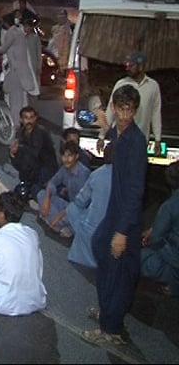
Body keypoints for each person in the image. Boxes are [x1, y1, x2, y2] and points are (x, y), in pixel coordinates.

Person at [84, 84, 147, 346]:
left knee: (119, 268)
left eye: (129, 111)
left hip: (126, 216)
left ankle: (111, 328)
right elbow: (111, 135)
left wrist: (122, 232)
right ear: (114, 108)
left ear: (135, 111)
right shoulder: (118, 132)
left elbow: (135, 192)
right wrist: (103, 127)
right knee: (101, 247)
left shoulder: (136, 142)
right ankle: (109, 310)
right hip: (114, 208)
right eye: (120, 109)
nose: (124, 116)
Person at [98, 50, 162, 156]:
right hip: (119, 139)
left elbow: (155, 114)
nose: (127, 68)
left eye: (131, 65)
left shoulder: (153, 86)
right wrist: (101, 136)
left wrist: (157, 139)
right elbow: (110, 111)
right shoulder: (121, 84)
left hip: (140, 142)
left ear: (141, 67)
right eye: (127, 65)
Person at [66, 143, 114, 268]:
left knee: (72, 208)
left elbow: (80, 201)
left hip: (93, 230)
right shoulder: (128, 177)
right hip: (116, 231)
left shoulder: (97, 174)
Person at [140, 160, 179, 297]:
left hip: (174, 260)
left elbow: (156, 239)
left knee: (138, 258)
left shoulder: (169, 206)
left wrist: (150, 236)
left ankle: (173, 284)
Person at [37, 140, 91, 237]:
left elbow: (79, 204)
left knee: (71, 216)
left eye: (69, 156)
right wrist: (47, 200)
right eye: (64, 156)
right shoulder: (64, 169)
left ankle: (57, 223)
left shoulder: (83, 174)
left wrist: (58, 217)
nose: (66, 159)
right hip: (68, 205)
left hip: (80, 210)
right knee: (41, 194)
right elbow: (53, 182)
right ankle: (56, 223)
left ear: (76, 156)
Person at [9, 106, 58, 200]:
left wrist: (18, 147)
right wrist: (13, 153)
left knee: (35, 191)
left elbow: (35, 152)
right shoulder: (21, 131)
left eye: (31, 117)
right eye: (26, 118)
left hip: (45, 166)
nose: (29, 121)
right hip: (33, 165)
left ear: (35, 118)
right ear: (21, 120)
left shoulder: (40, 132)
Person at [0, 16, 39, 123]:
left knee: (17, 102)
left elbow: (3, 49)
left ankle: (18, 123)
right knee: (19, 102)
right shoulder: (17, 34)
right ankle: (19, 123)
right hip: (19, 74)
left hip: (16, 73)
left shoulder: (15, 33)